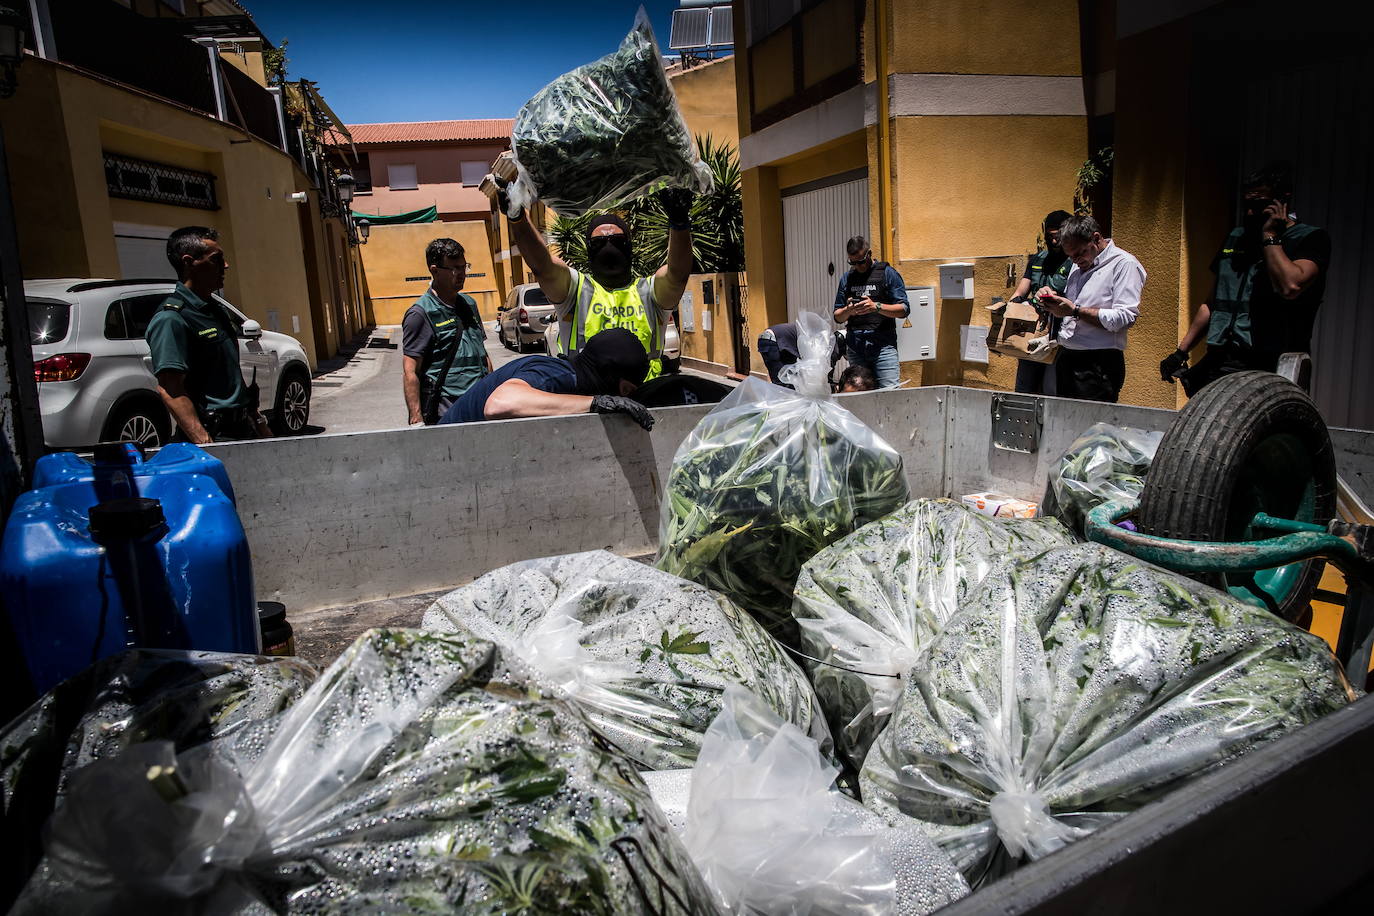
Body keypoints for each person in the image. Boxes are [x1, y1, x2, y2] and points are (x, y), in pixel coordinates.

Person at [1161, 163, 1331, 396]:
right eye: (1247, 204)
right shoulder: (1236, 238)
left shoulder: (1309, 239)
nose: (1250, 212)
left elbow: (1291, 286)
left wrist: (1270, 237)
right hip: (1223, 358)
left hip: (1272, 362)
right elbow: (1213, 303)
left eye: (1259, 204)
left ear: (1283, 200)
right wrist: (1181, 351)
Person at [498, 183, 692, 382]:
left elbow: (678, 273)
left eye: (616, 240)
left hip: (645, 396)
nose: (608, 247)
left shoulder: (650, 292)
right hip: (590, 400)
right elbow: (542, 265)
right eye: (599, 243)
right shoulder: (575, 291)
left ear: (629, 246)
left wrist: (679, 222)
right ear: (589, 250)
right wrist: (518, 217)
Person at [146, 226, 268, 444]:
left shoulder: (215, 310)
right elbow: (171, 388)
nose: (226, 265)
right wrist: (205, 443)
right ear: (188, 262)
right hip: (214, 434)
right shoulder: (172, 318)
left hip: (240, 429)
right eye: (217, 259)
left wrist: (258, 424)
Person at [439, 327, 655, 430]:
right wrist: (596, 403)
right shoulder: (558, 376)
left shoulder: (566, 373)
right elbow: (499, 404)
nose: (623, 396)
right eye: (626, 391)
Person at [1032, 215, 1146, 403]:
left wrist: (1075, 311)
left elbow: (1125, 318)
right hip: (1067, 356)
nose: (1075, 261)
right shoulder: (1078, 265)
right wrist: (1049, 300)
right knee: (1066, 426)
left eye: (1079, 253)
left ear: (1096, 238)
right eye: (1070, 256)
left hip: (1098, 363)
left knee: (1091, 429)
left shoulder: (1124, 264)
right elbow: (1071, 308)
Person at [402, 238, 493, 426]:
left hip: (480, 401)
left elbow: (482, 354)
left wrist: (492, 388)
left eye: (463, 267)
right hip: (446, 407)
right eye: (454, 268)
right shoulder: (421, 313)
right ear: (434, 270)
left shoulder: (469, 305)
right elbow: (411, 371)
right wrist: (416, 418)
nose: (461, 274)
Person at [1007, 210, 1073, 394]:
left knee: (1052, 390)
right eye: (1049, 236)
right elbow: (1020, 292)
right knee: (1026, 389)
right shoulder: (1038, 260)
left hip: (1058, 338)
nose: (1054, 241)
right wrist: (1013, 311)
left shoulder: (1074, 262)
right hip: (1033, 333)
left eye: (1058, 236)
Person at [832, 236, 910, 388]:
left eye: (860, 261)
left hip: (883, 347)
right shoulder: (847, 278)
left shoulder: (887, 273)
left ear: (869, 254)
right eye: (852, 262)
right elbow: (837, 316)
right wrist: (849, 310)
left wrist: (876, 306)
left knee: (890, 393)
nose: (857, 266)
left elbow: (904, 309)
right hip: (856, 346)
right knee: (861, 396)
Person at [757, 320, 844, 389]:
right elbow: (828, 370)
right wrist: (829, 387)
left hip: (774, 340)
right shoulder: (832, 346)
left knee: (789, 379)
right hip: (772, 341)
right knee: (781, 382)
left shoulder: (823, 339)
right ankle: (780, 408)